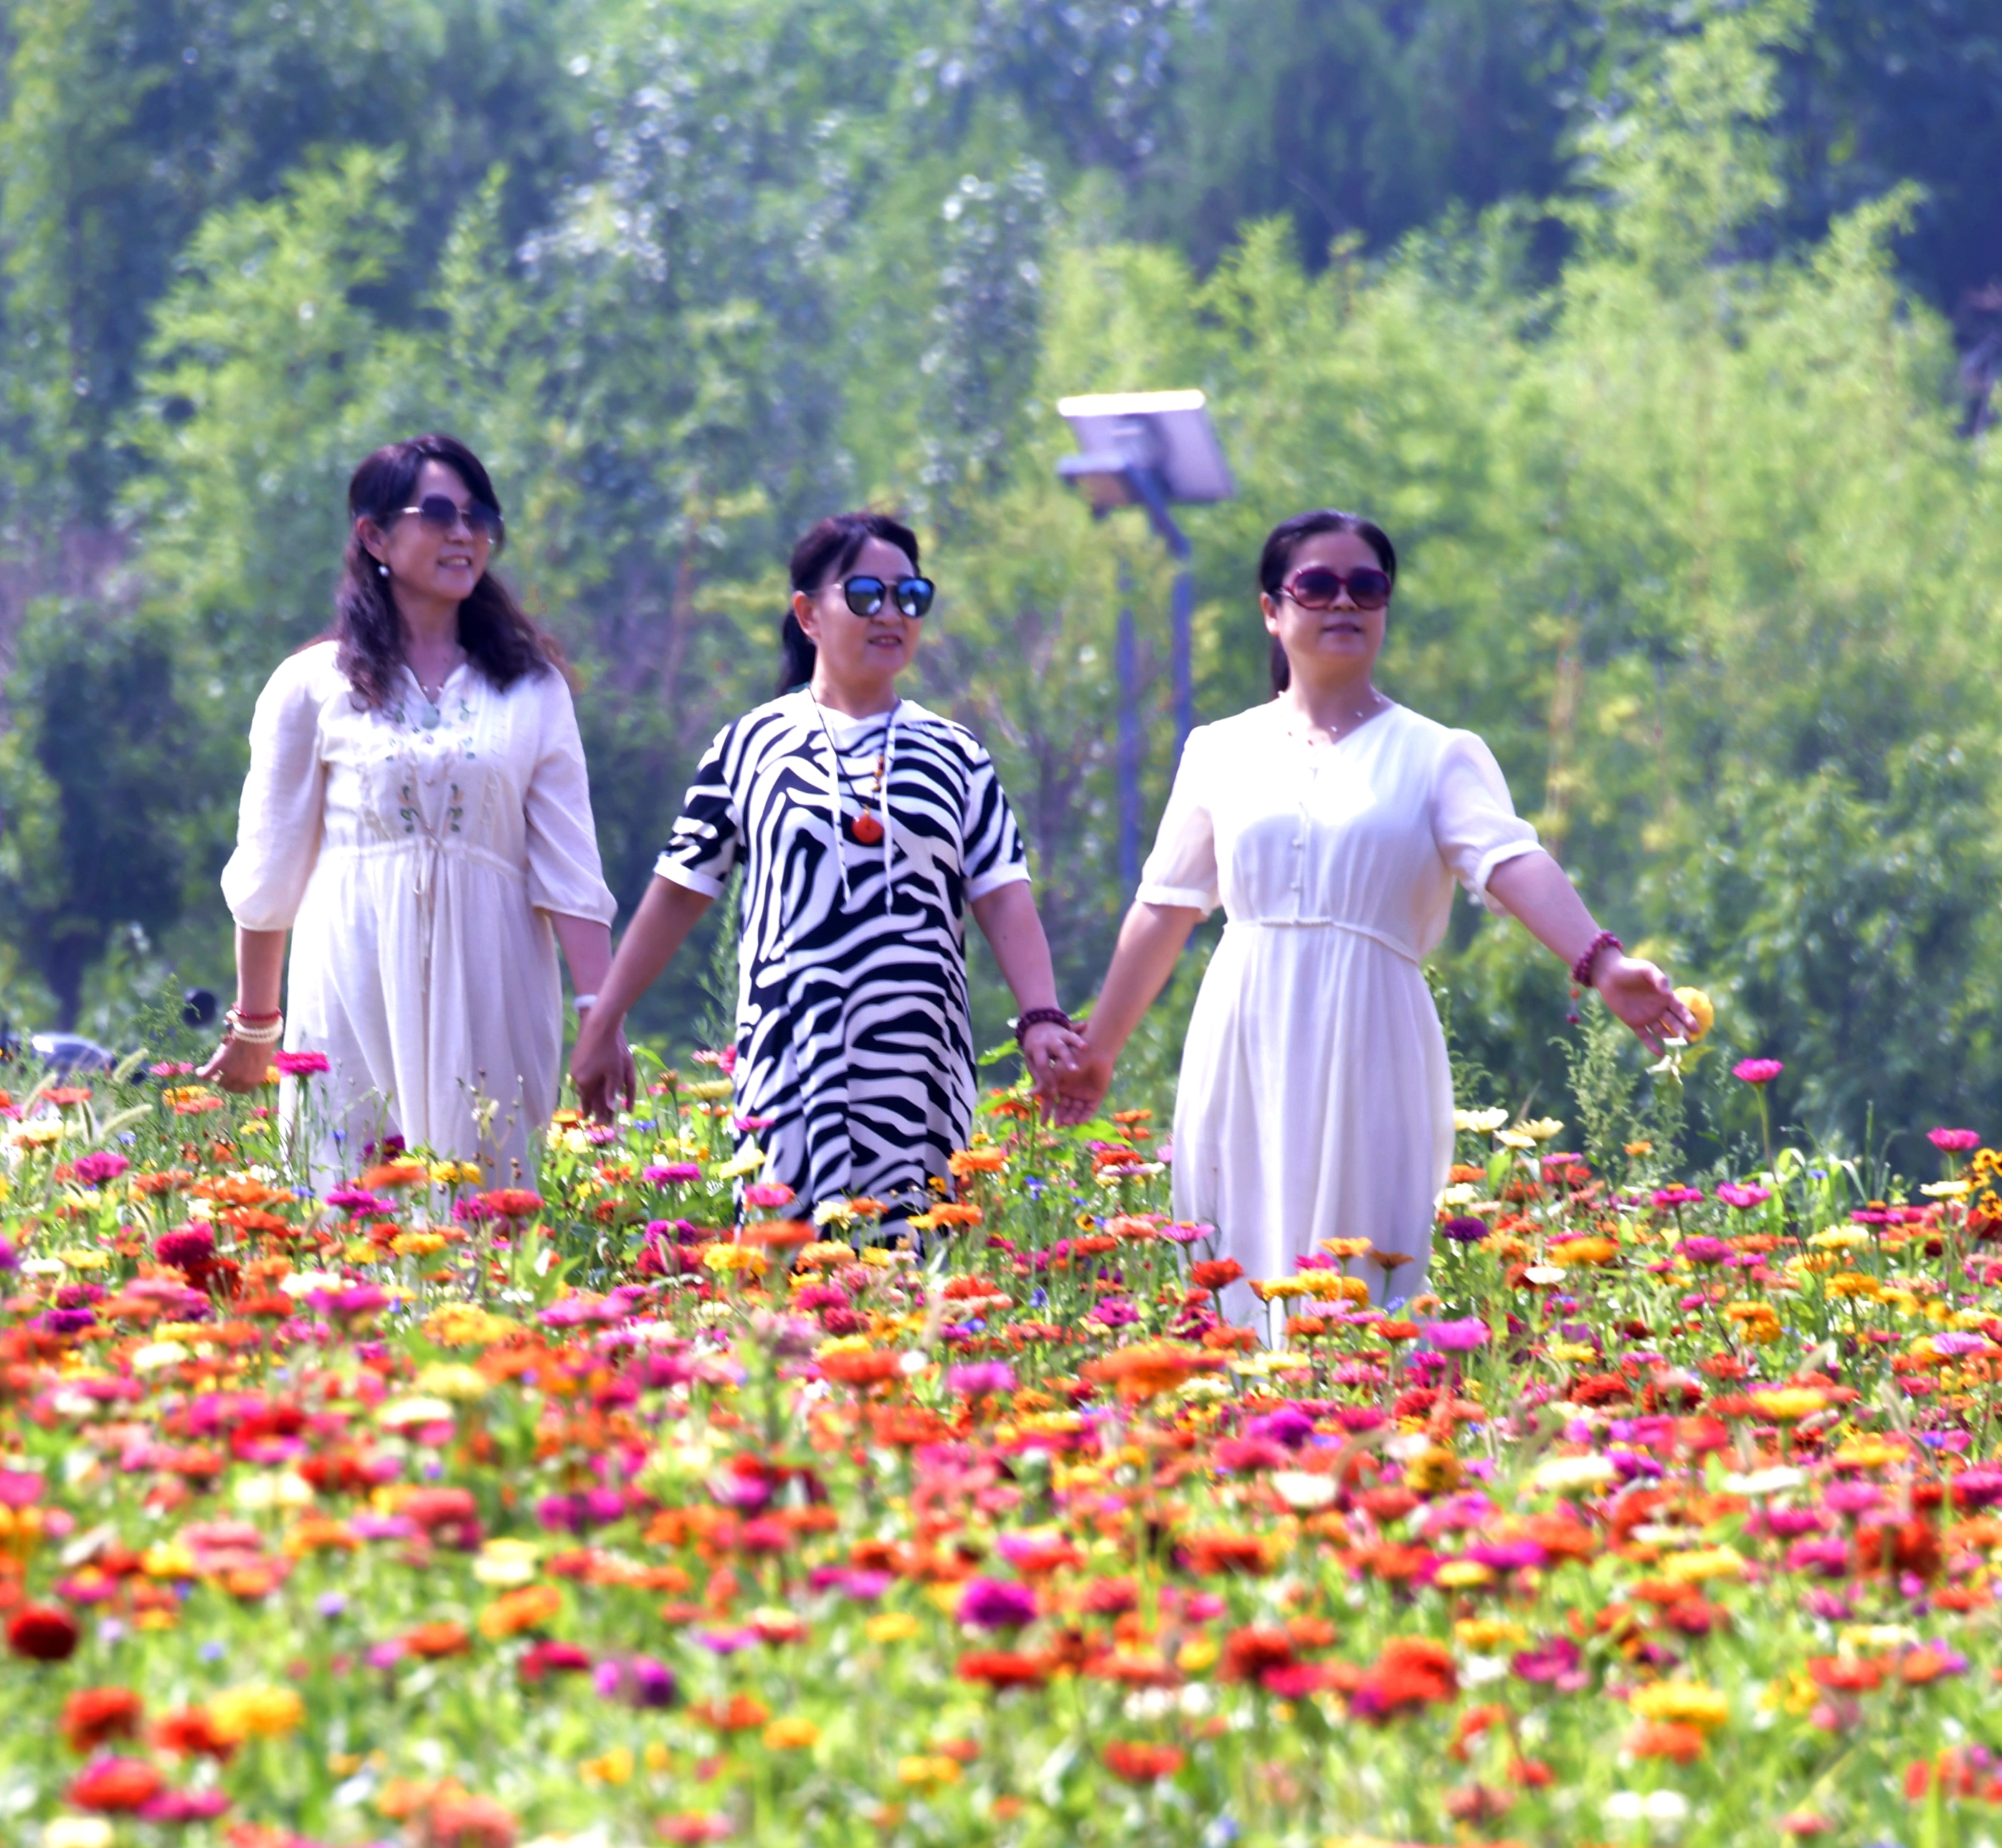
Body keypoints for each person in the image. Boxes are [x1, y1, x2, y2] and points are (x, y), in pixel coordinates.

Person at [1053, 509, 1687, 1329]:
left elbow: (1510, 861)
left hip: (1373, 1032)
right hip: (1245, 1032)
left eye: (1367, 586)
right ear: (1272, 611)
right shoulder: (1220, 750)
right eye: (1316, 586)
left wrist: (1603, 963)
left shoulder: (1436, 753)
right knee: (1236, 1274)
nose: (1343, 603)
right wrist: (1098, 1050)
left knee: (1365, 1280)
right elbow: (1165, 905)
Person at [566, 513, 1078, 1218]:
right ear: (807, 613)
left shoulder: (956, 754)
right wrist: (604, 1020)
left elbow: (1003, 896)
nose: (891, 613)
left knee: (915, 1285)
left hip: (917, 1072)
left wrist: (1042, 1018)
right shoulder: (749, 745)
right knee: (788, 1285)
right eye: (866, 595)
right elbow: (678, 894)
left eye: (910, 597)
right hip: (791, 1063)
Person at [213, 435, 615, 1188]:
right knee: (350, 1213)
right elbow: (270, 868)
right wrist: (256, 1024)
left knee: (486, 1221)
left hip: (494, 982)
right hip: (352, 980)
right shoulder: (310, 686)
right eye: (437, 513)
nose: (463, 533)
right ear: (373, 536)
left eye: (478, 516)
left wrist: (601, 1010)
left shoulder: (531, 691)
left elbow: (571, 870)